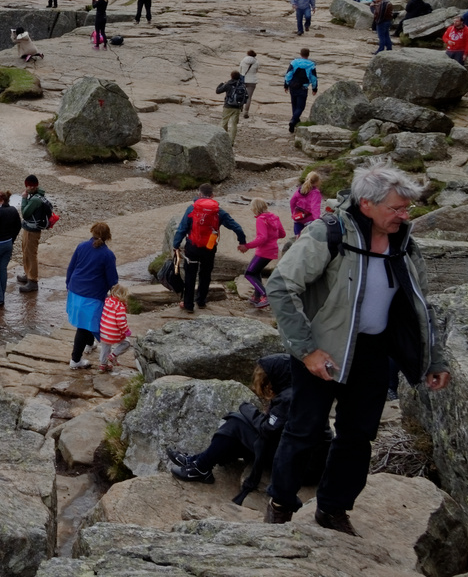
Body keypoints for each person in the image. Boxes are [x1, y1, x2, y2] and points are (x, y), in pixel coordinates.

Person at [263, 162, 450, 533]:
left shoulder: (404, 244)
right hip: (323, 351)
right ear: (366, 204)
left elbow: (420, 305)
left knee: (358, 435)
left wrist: (434, 358)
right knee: (305, 429)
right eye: (396, 208)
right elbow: (281, 286)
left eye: (406, 208)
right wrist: (307, 350)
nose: (404, 215)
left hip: (373, 352)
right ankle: (280, 504)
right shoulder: (329, 233)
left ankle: (333, 509)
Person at [168, 354, 322, 503]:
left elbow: (267, 429)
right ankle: (197, 461)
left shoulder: (289, 398)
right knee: (238, 423)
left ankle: (200, 468)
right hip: (303, 461)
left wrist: (247, 409)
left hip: (302, 468)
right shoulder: (299, 391)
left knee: (236, 423)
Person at [173, 183, 247, 312]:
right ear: (212, 196)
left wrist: (176, 245)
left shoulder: (191, 209)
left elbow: (182, 229)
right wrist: (242, 242)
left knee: (190, 275)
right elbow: (237, 228)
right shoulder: (219, 212)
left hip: (192, 248)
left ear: (199, 194)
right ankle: (201, 301)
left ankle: (188, 305)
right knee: (205, 274)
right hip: (209, 248)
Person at [65, 222, 118, 368]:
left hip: (75, 290)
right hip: (92, 295)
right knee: (84, 326)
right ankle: (75, 361)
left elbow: (71, 267)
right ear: (108, 237)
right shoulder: (108, 255)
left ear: (92, 232)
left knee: (86, 321)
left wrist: (68, 285)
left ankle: (89, 344)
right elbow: (113, 280)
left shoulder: (81, 246)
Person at [238, 198, 286, 308]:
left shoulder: (261, 219)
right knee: (256, 271)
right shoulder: (274, 217)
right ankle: (256, 297)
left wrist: (247, 246)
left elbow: (262, 238)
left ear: (255, 208)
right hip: (272, 250)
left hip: (263, 251)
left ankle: (265, 295)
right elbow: (282, 234)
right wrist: (272, 237)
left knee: (249, 274)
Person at [17, 175, 50, 293]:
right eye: (27, 186)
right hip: (29, 228)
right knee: (26, 251)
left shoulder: (35, 199)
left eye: (29, 186)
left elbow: (25, 214)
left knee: (31, 254)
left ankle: (33, 281)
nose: (27, 188)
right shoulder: (36, 196)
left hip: (32, 230)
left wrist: (24, 199)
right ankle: (28, 274)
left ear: (34, 186)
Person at [98, 283, 131, 371]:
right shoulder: (120, 307)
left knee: (105, 348)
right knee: (126, 343)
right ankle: (113, 356)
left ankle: (103, 365)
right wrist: (126, 330)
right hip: (113, 333)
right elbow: (121, 322)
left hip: (103, 331)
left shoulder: (107, 301)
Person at [284, 49, 318, 133]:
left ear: (300, 54)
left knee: (294, 105)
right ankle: (293, 121)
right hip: (303, 88)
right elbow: (313, 78)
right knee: (300, 107)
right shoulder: (311, 64)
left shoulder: (294, 62)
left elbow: (288, 74)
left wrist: (286, 85)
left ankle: (295, 121)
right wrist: (314, 88)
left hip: (293, 86)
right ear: (308, 55)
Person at [217, 70, 249, 142]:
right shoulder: (242, 85)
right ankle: (231, 141)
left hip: (228, 106)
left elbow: (218, 91)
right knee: (234, 124)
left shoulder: (228, 84)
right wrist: (241, 105)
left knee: (224, 121)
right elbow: (246, 96)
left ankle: (223, 137)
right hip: (237, 107)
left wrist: (222, 83)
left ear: (231, 76)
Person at [290, 171, 324, 236]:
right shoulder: (315, 193)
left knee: (297, 238)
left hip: (298, 218)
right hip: (309, 220)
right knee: (308, 239)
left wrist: (293, 213)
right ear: (317, 182)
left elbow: (292, 201)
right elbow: (314, 208)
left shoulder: (300, 190)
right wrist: (317, 221)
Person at [238, 49, 260, 117]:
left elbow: (240, 70)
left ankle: (239, 109)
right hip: (252, 81)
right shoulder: (256, 62)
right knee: (249, 97)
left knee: (241, 95)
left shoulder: (243, 60)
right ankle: (246, 112)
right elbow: (256, 71)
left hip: (243, 80)